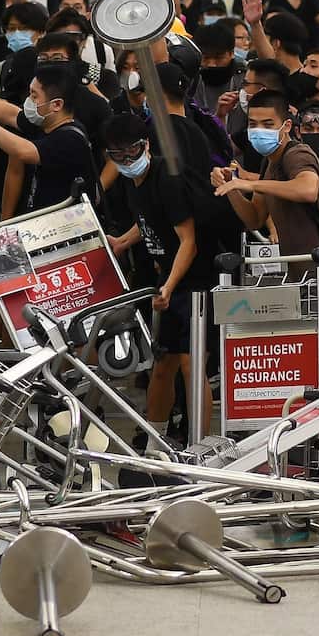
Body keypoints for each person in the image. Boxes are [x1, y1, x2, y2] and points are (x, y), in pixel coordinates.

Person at [104, 114, 219, 446]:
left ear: (146, 146)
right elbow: (150, 220)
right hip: (169, 284)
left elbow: (189, 241)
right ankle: (156, 440)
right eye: (118, 156)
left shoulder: (168, 180)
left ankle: (200, 444)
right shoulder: (133, 182)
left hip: (195, 284)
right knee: (163, 364)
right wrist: (124, 241)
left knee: (191, 366)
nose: (127, 162)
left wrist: (168, 285)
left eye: (132, 153)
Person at [0, 60, 96, 213]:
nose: (28, 102)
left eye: (34, 96)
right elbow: (10, 113)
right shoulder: (43, 122)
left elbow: (23, 151)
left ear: (56, 105)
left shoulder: (71, 138)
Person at [211, 89, 319, 257]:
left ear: (287, 126)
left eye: (268, 125)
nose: (259, 130)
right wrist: (230, 186)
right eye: (253, 124)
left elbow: (308, 190)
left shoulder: (297, 154)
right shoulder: (269, 160)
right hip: (295, 265)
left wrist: (250, 183)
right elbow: (255, 219)